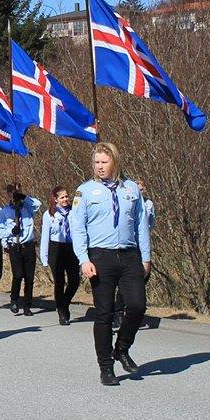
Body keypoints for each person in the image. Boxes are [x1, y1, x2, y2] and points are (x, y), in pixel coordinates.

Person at [68, 142, 151, 386]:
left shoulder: (132, 189)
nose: (100, 167)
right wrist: (84, 259)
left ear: (114, 161)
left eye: (104, 162)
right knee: (104, 313)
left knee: (137, 305)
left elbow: (141, 225)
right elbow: (78, 228)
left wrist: (146, 257)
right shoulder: (84, 192)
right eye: (96, 163)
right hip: (100, 256)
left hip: (128, 255)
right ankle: (106, 366)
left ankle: (122, 348)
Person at [114, 179, 156, 328]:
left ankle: (133, 311)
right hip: (127, 245)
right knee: (126, 281)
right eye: (138, 189)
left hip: (140, 245)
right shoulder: (125, 202)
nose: (140, 192)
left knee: (141, 278)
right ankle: (119, 312)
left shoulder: (148, 204)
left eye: (142, 190)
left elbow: (149, 224)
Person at [0, 184, 43, 316]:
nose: (14, 196)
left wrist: (24, 197)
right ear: (8, 195)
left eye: (16, 193)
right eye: (12, 194)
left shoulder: (27, 208)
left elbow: (37, 205)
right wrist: (10, 231)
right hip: (15, 246)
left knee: (29, 277)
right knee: (18, 274)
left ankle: (27, 304)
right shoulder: (5, 211)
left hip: (28, 245)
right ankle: (14, 299)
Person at [41, 186, 80, 326]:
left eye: (66, 196)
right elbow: (45, 237)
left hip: (71, 248)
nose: (65, 199)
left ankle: (64, 303)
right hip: (55, 248)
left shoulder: (73, 212)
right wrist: (44, 258)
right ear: (56, 199)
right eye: (62, 197)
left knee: (75, 280)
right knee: (59, 281)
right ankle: (61, 311)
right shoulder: (49, 214)